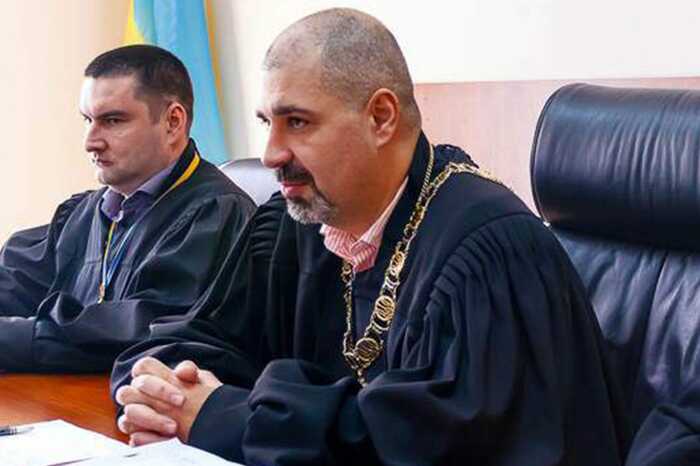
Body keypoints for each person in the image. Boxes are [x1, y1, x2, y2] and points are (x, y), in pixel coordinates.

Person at [112, 9, 630, 465]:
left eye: (298, 122)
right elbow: (195, 337)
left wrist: (228, 418)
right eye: (267, 122)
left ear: (381, 117)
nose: (270, 153)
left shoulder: (490, 254)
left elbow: (425, 445)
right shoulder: (302, 221)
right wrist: (163, 391)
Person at [0, 44, 255, 372]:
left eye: (112, 120)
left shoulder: (215, 215)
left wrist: (15, 337)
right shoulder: (85, 211)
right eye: (87, 120)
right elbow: (16, 282)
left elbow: (146, 331)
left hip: (137, 400)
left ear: (173, 122)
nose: (90, 142)